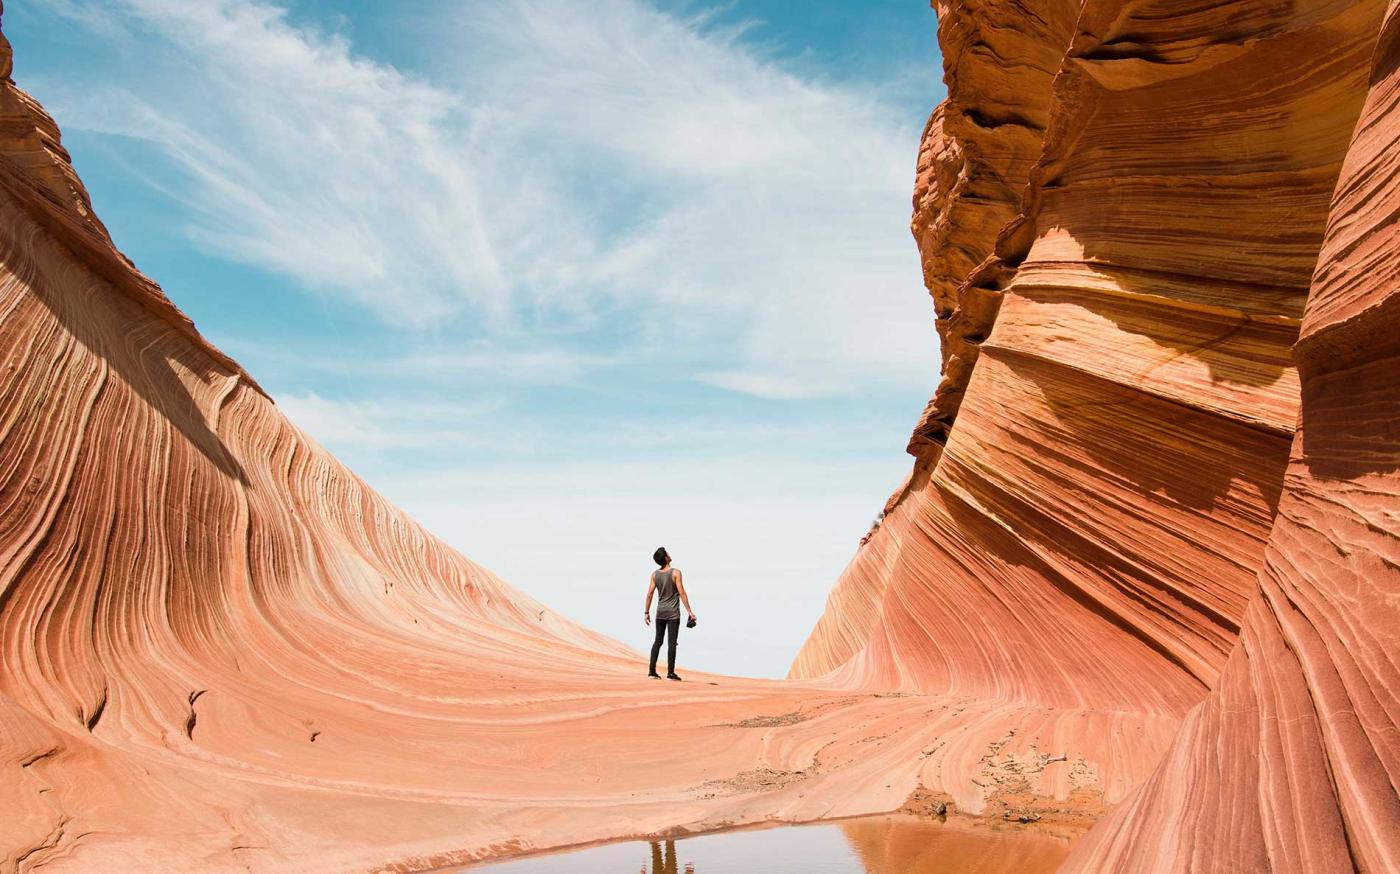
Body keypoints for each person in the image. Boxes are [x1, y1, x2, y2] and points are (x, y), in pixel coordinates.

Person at [643, 546, 695, 680]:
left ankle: (651, 671)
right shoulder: (676, 573)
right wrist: (689, 611)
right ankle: (670, 673)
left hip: (660, 613)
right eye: (667, 553)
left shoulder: (654, 575)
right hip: (673, 614)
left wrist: (646, 612)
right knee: (672, 643)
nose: (669, 554)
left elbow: (649, 594)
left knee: (657, 641)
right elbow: (682, 593)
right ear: (666, 557)